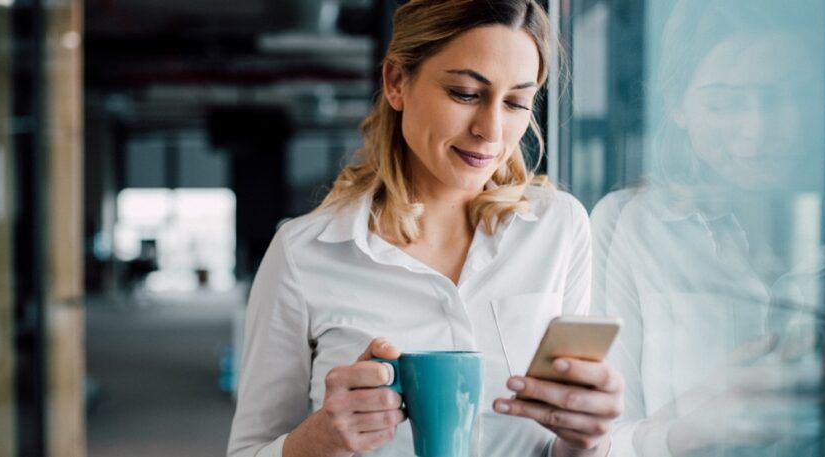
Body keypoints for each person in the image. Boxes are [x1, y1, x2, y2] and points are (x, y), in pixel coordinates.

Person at [228, 1, 623, 456]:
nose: (490, 131)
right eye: (465, 94)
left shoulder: (559, 228)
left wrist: (590, 441)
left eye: (516, 102)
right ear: (396, 82)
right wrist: (319, 440)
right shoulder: (304, 253)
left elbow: (566, 442)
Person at [590, 0, 825, 455]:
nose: (757, 131)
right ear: (677, 106)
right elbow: (597, 441)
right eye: (723, 102)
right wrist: (692, 429)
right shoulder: (630, 226)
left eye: (787, 96)